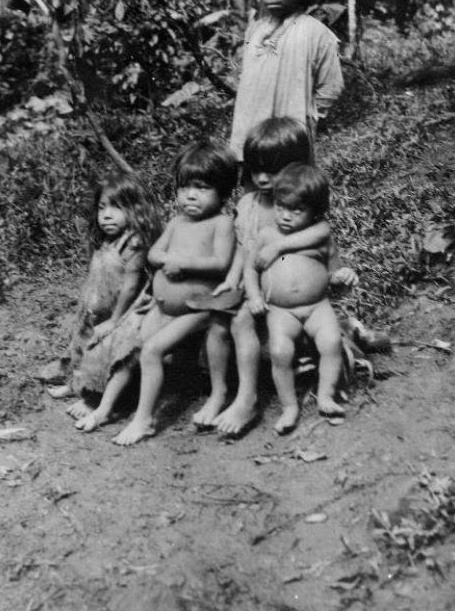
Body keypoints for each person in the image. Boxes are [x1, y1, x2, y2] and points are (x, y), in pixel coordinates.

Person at [195, 117, 356, 435]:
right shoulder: (249, 204)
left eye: (274, 169)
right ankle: (227, 394)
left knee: (244, 320)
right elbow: (244, 250)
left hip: (293, 301)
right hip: (256, 286)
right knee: (221, 321)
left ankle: (250, 397)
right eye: (257, 170)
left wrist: (282, 246)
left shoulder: (299, 203)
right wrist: (233, 278)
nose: (264, 178)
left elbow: (323, 236)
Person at [113, 140, 237, 446]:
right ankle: (110, 404)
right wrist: (166, 260)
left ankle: (145, 420)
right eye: (184, 188)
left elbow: (221, 262)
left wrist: (184, 264)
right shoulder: (177, 223)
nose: (190, 195)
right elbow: (154, 254)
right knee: (134, 346)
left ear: (222, 192)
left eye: (201, 188)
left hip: (200, 308)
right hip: (165, 308)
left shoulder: (221, 223)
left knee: (153, 350)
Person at [243, 162, 346, 434]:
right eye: (280, 207)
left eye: (296, 210)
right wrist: (253, 295)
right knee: (280, 350)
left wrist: (342, 277)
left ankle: (326, 395)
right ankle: (289, 406)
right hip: (280, 310)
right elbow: (250, 269)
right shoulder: (266, 235)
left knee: (331, 341)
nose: (285, 216)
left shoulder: (322, 238)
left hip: (316, 306)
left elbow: (333, 273)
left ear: (314, 212)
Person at [44, 172, 162, 406]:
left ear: (135, 209)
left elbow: (129, 287)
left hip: (117, 312)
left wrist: (115, 320)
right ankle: (73, 385)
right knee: (79, 346)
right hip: (95, 308)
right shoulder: (107, 240)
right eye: (102, 208)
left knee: (102, 353)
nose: (106, 215)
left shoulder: (133, 242)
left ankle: (93, 398)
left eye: (116, 207)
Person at [229, 0, 344, 166]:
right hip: (253, 135)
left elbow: (331, 86)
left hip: (291, 137)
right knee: (254, 193)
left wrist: (309, 116)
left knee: (291, 192)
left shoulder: (314, 32)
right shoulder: (255, 30)